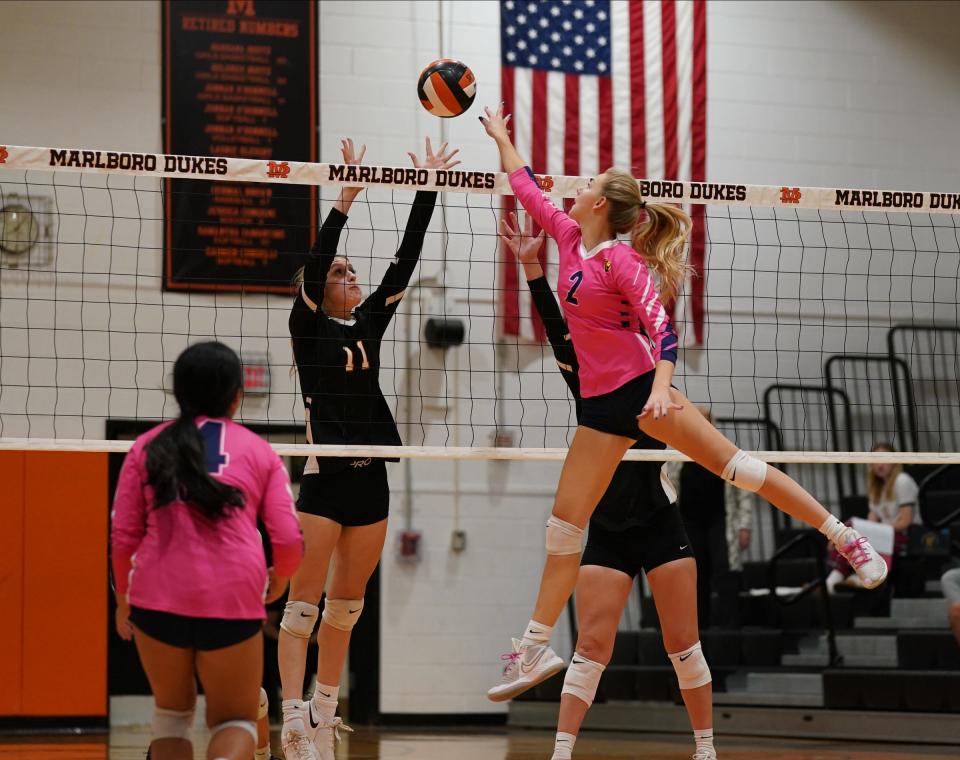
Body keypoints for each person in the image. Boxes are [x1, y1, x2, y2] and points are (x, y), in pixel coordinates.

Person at [478, 103, 888, 703]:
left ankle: (843, 536)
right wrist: (502, 139)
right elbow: (526, 186)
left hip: (642, 392)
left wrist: (664, 385)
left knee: (739, 469)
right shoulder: (569, 238)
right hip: (599, 407)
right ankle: (535, 647)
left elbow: (663, 329)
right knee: (563, 529)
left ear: (600, 205)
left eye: (586, 184)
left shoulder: (622, 260)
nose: (575, 188)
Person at [500, 215, 718, 760]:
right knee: (591, 647)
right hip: (609, 528)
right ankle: (562, 752)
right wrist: (531, 269)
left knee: (682, 646)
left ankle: (706, 749)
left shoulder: (652, 370)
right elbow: (556, 330)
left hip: (660, 521)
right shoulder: (591, 372)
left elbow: (657, 316)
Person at [279, 137, 460, 760]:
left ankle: (325, 713)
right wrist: (346, 199)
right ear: (316, 288)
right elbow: (318, 256)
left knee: (346, 608)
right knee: (303, 607)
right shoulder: (308, 327)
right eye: (339, 273)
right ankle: (292, 718)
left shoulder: (370, 323)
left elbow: (406, 261)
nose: (350, 276)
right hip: (325, 478)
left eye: (353, 270)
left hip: (372, 477)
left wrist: (427, 187)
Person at [111, 341, 304, 760]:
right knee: (235, 721)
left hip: (156, 599)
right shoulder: (259, 451)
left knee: (171, 720)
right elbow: (288, 538)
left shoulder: (145, 447)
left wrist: (123, 601)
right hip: (232, 597)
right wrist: (282, 578)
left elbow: (123, 537)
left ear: (178, 392)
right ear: (237, 395)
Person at [668, 408, 754, 629]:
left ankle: (729, 629)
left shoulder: (722, 448)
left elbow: (743, 489)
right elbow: (670, 488)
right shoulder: (678, 452)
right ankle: (700, 629)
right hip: (689, 521)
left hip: (720, 519)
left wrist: (744, 525)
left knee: (724, 570)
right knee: (695, 574)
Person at [826, 441, 919, 592]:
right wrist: (848, 537)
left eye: (883, 459)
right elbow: (871, 521)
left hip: (907, 536)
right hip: (888, 535)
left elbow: (905, 521)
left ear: (894, 460)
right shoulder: (878, 488)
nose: (879, 464)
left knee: (850, 526)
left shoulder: (902, 481)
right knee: (851, 533)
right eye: (875, 460)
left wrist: (846, 533)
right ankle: (849, 577)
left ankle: (834, 580)